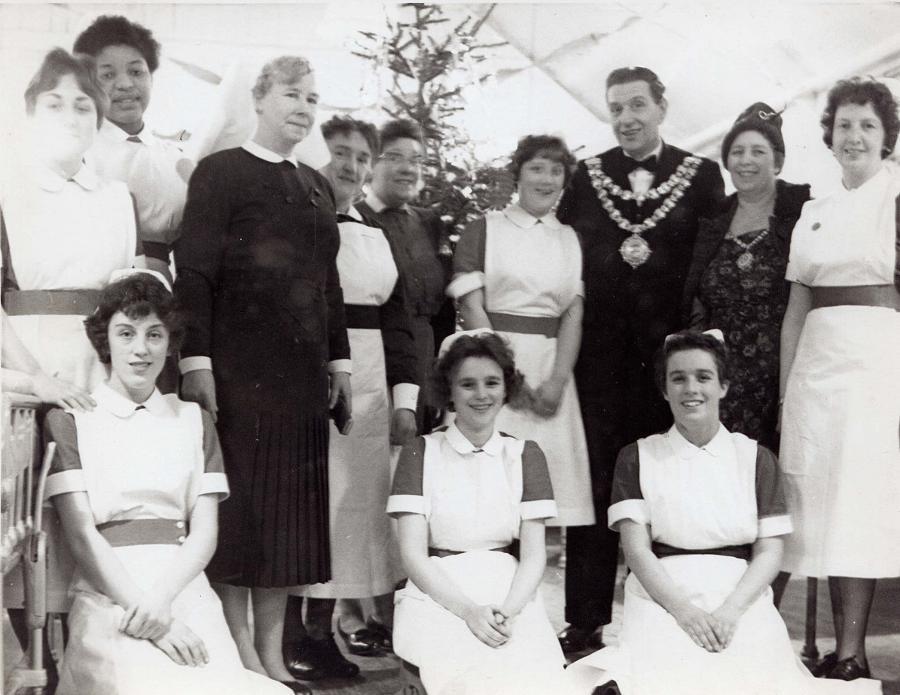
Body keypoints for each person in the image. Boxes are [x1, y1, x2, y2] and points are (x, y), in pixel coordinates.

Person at [565, 330, 880, 695]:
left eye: (703, 377)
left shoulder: (756, 458)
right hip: (660, 595)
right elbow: (636, 551)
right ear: (664, 390)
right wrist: (684, 612)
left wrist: (731, 612)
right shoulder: (637, 456)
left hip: (739, 594)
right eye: (677, 378)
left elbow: (770, 550)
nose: (691, 388)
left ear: (724, 386)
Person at [174, 55, 349, 693]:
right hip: (239, 373)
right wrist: (197, 361)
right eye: (291, 94)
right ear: (259, 99)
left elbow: (327, 282)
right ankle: (241, 653)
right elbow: (193, 272)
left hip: (303, 381)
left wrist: (341, 363)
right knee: (243, 516)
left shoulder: (314, 184)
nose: (304, 106)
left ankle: (273, 659)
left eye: (312, 96)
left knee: (289, 525)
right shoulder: (221, 173)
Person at [42, 273, 290, 695]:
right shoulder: (69, 420)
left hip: (184, 586)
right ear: (105, 341)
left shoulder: (194, 419)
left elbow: (205, 531)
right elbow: (82, 538)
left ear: (171, 342)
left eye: (155, 334)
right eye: (126, 333)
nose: (141, 349)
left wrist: (163, 603)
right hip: (110, 593)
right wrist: (152, 619)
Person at [556, 65, 725, 652]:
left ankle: (668, 617)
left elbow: (711, 265)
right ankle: (584, 621)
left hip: (669, 366)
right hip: (597, 364)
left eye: (636, 106)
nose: (626, 118)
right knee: (597, 485)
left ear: (661, 106)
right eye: (616, 108)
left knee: (665, 485)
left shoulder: (701, 175)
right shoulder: (585, 175)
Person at [284, 116, 418, 679]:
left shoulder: (376, 233)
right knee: (308, 506)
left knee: (353, 514)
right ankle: (294, 636)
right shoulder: (294, 224)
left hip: (370, 385)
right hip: (309, 375)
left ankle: (325, 631)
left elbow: (400, 322)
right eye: (340, 152)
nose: (351, 166)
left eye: (363, 157)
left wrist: (404, 399)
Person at [779, 77, 900, 681]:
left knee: (859, 504)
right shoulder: (813, 213)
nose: (854, 136)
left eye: (867, 126)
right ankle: (819, 647)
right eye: (845, 125)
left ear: (887, 138)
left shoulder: (897, 201)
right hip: (815, 369)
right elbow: (797, 306)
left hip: (878, 367)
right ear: (829, 135)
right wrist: (785, 387)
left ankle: (851, 653)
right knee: (815, 504)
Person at [388, 331, 566, 695]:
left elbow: (533, 557)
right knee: (464, 671)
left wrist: (509, 612)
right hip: (437, 588)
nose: (481, 395)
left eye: (491, 383)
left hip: (508, 588)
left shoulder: (525, 454)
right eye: (467, 384)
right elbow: (412, 555)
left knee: (533, 673)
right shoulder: (421, 452)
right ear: (448, 390)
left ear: (506, 388)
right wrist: (468, 611)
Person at [449, 134, 594, 528]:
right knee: (490, 497)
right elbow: (471, 306)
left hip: (551, 373)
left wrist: (557, 382)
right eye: (536, 168)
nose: (546, 179)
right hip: (491, 366)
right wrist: (508, 378)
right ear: (518, 174)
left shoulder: (569, 239)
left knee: (543, 503)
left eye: (555, 170)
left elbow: (572, 316)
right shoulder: (484, 229)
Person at [683, 103, 811, 451]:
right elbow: (695, 302)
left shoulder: (803, 213)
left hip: (779, 377)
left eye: (758, 151)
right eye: (736, 152)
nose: (746, 160)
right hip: (719, 380)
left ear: (778, 161)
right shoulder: (712, 222)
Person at [74, 15, 191, 276]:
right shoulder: (80, 154)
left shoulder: (174, 155)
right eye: (107, 74)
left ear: (152, 78)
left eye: (136, 72)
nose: (126, 84)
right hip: (101, 284)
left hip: (167, 286)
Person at [356, 119, 450, 433]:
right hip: (376, 357)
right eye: (394, 157)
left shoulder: (429, 222)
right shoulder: (356, 220)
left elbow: (444, 310)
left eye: (416, 160)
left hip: (425, 358)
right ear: (371, 165)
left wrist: (439, 377)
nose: (407, 168)